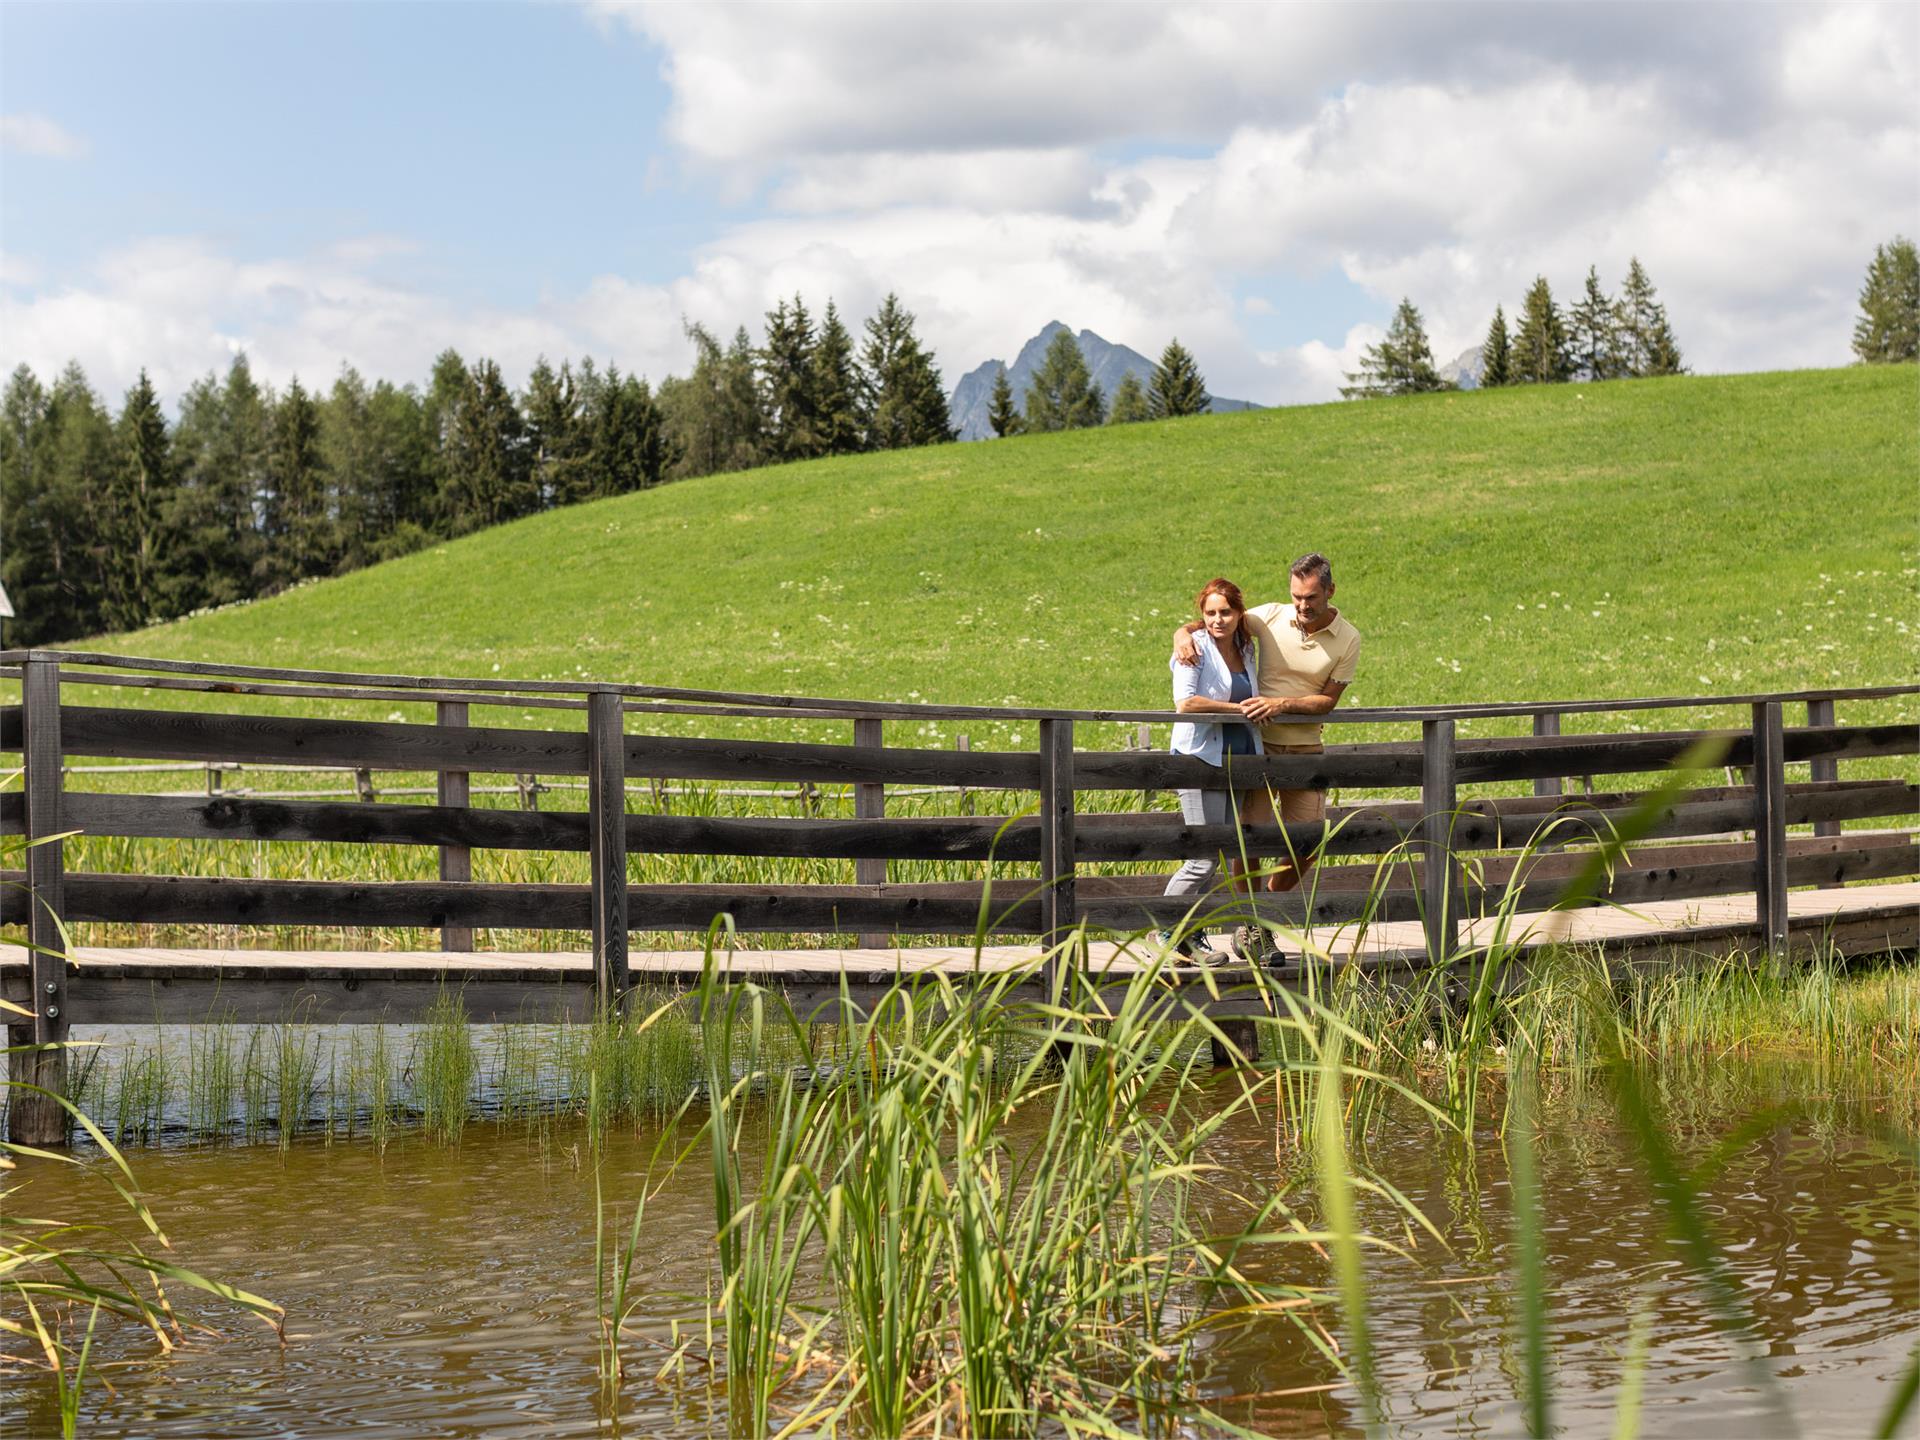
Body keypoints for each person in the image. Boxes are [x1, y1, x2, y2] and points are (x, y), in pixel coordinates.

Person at [1172, 552, 1361, 957]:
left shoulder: (1349, 638)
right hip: (1256, 748)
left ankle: (1261, 914)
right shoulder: (1272, 616)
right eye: (1296, 596)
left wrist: (1280, 705)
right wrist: (1181, 633)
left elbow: (1327, 701)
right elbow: (1221, 617)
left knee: (1308, 841)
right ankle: (1251, 927)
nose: (1302, 605)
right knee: (1250, 840)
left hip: (1305, 747)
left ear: (1330, 591)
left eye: (1310, 597)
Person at [1159, 577, 1263, 962]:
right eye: (1210, 613)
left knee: (1218, 855)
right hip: (1199, 761)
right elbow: (1184, 704)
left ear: (1239, 613)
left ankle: (1191, 937)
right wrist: (1240, 710)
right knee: (1202, 857)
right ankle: (1169, 930)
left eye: (1225, 612)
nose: (1218, 619)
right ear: (1201, 616)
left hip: (1237, 762)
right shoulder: (1194, 648)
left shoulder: (1246, 648)